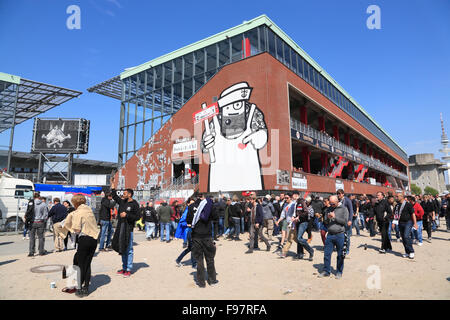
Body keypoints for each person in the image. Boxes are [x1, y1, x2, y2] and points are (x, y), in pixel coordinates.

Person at [65, 194, 99, 297]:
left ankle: (79, 288)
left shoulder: (78, 213)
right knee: (87, 264)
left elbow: (77, 229)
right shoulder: (89, 210)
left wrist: (70, 228)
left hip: (84, 239)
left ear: (75, 203)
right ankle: (86, 288)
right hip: (94, 239)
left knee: (80, 264)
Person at [110, 179, 140, 277]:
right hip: (120, 228)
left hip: (129, 229)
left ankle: (128, 269)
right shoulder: (123, 202)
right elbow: (114, 196)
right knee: (122, 247)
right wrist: (113, 185)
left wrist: (127, 215)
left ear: (130, 194)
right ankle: (124, 267)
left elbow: (138, 217)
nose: (123, 194)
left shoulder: (135, 204)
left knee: (129, 249)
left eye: (125, 193)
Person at [191, 193, 218, 288]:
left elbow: (189, 221)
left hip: (196, 235)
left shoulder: (191, 206)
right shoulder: (209, 205)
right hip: (207, 235)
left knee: (199, 260)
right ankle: (212, 280)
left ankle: (201, 282)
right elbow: (216, 218)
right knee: (210, 259)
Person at [319, 195, 348, 279]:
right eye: (330, 203)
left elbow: (345, 222)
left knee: (340, 255)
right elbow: (326, 221)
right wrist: (327, 218)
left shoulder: (343, 209)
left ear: (337, 201)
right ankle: (326, 271)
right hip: (330, 234)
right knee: (327, 254)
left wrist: (335, 217)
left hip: (340, 234)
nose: (331, 205)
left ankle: (339, 271)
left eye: (333, 204)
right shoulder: (329, 209)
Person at [394, 193, 418, 259]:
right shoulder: (397, 205)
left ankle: (411, 251)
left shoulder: (408, 204)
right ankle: (407, 252)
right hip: (400, 222)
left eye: (397, 196)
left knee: (406, 236)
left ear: (402, 197)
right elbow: (395, 215)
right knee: (403, 238)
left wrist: (415, 223)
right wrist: (394, 222)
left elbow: (413, 214)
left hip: (408, 222)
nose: (396, 197)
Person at [175, 197, 197, 268]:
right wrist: (188, 224)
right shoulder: (187, 211)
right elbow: (182, 222)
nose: (193, 205)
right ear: (188, 204)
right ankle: (194, 264)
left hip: (193, 230)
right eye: (191, 203)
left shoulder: (193, 210)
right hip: (189, 231)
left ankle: (178, 259)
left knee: (190, 248)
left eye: (194, 203)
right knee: (193, 247)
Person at [28, 192, 49, 257]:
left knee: (32, 238)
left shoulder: (31, 203)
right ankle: (41, 251)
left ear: (34, 197)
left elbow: (28, 212)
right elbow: (45, 214)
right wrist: (43, 220)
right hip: (40, 222)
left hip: (32, 222)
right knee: (41, 237)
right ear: (39, 197)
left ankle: (31, 252)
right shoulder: (43, 204)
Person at [337, 189, 353, 256]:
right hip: (340, 220)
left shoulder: (347, 200)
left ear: (343, 194)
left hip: (347, 221)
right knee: (341, 235)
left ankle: (347, 249)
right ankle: (341, 247)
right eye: (337, 194)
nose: (338, 195)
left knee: (347, 236)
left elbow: (351, 210)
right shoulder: (339, 200)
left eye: (340, 194)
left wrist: (350, 220)